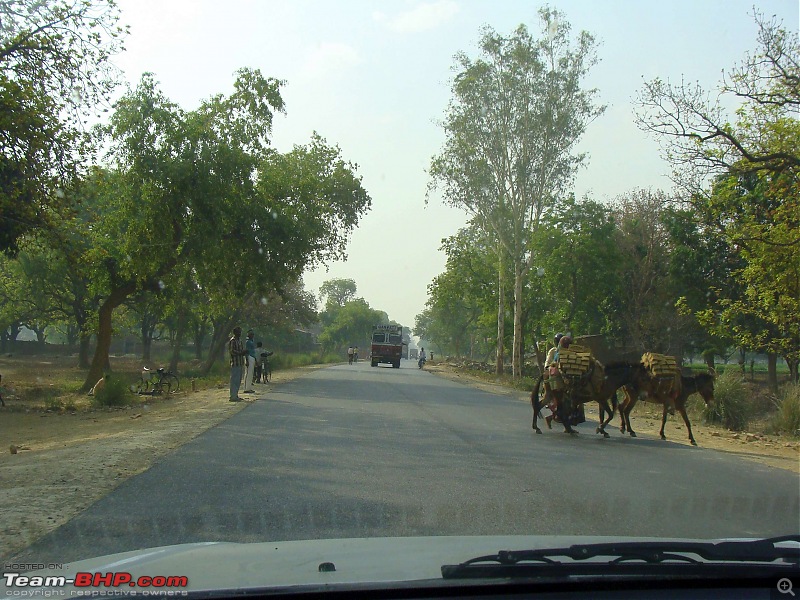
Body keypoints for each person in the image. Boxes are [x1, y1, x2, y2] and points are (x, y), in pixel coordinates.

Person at [228, 326, 248, 401]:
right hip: (235, 363)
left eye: (240, 332)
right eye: (238, 332)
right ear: (235, 333)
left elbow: (242, 351)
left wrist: (244, 353)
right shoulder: (232, 341)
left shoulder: (239, 341)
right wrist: (241, 353)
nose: (240, 333)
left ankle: (235, 395)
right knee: (234, 380)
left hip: (240, 362)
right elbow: (232, 351)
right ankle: (232, 396)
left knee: (238, 380)